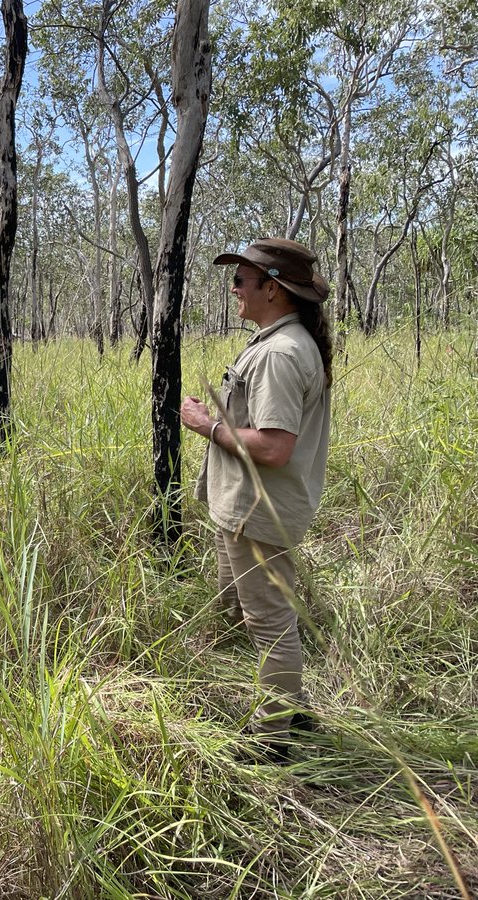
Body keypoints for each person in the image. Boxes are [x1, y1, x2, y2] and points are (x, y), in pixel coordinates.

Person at [180, 237, 334, 760]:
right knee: (252, 612)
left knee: (269, 622)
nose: (234, 288)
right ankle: (290, 706)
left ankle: (272, 741)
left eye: (242, 279)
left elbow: (273, 446)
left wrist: (208, 425)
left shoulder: (281, 354)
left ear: (273, 288)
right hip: (244, 506)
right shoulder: (276, 342)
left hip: (258, 510)